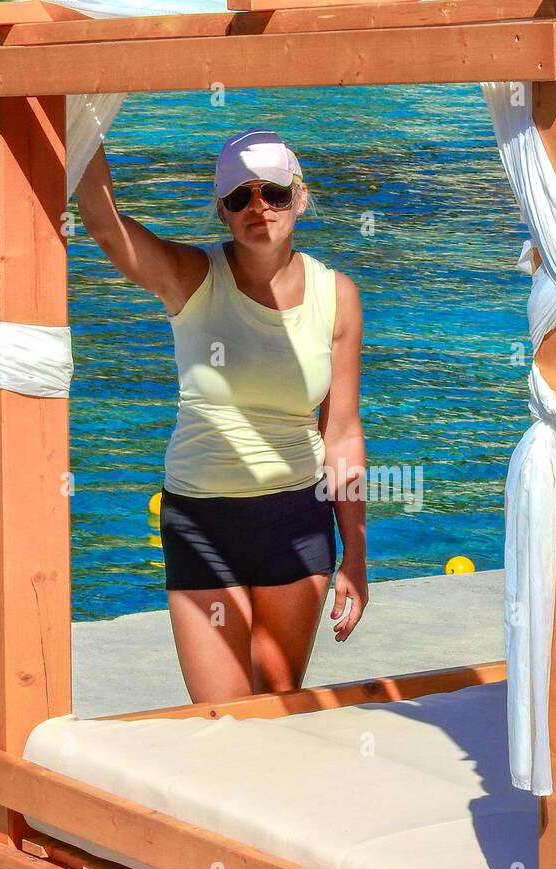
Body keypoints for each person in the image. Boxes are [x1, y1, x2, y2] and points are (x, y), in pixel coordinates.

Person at [76, 127, 368, 703]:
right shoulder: (191, 277)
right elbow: (105, 224)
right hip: (201, 522)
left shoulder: (337, 295)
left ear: (300, 197)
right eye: (239, 197)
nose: (258, 207)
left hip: (296, 519)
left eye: (274, 192)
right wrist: (84, 120)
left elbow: (341, 432)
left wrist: (355, 557)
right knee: (223, 719)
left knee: (276, 706)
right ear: (222, 211)